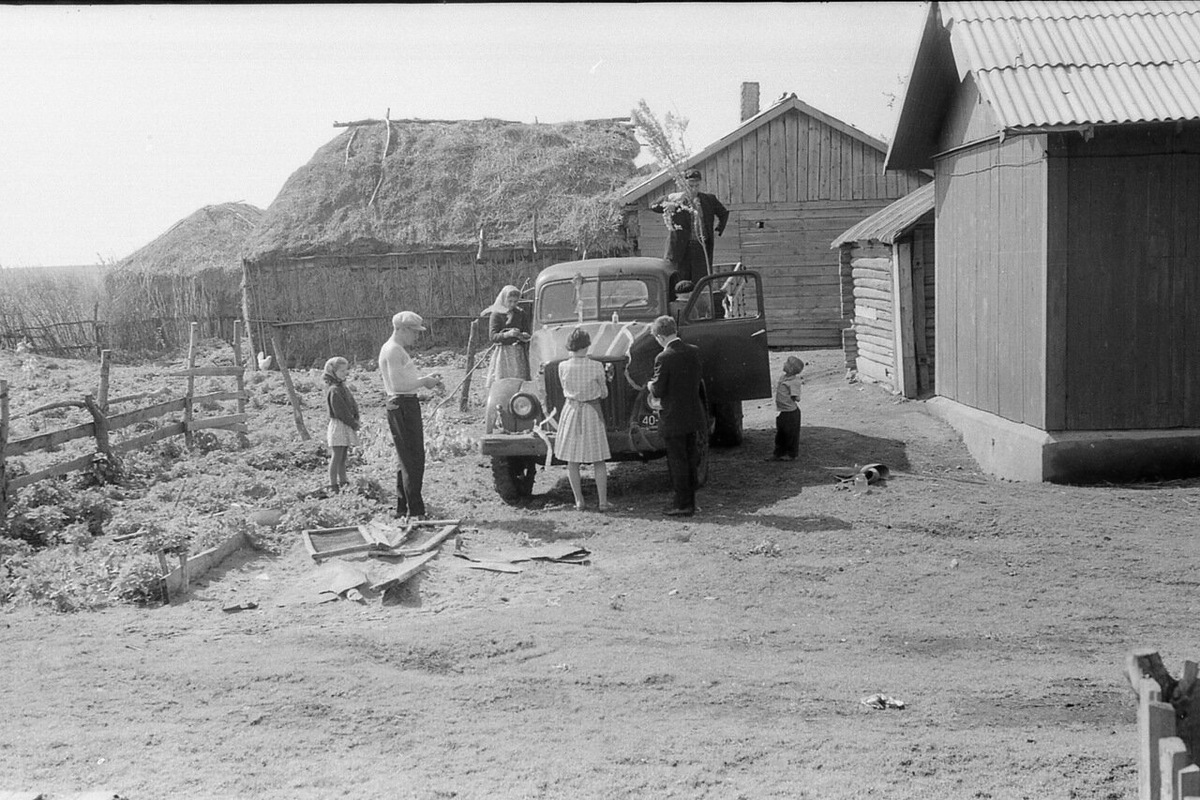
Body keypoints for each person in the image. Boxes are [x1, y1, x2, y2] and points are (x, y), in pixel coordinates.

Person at [378, 311, 443, 520]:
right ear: (403, 329)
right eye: (414, 332)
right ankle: (415, 511)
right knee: (413, 459)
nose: (416, 337)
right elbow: (398, 385)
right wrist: (424, 381)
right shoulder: (393, 350)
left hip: (405, 403)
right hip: (402, 404)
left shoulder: (396, 350)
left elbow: (405, 381)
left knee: (406, 458)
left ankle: (402, 507)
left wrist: (425, 379)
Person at [646, 315, 705, 516]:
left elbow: (659, 390)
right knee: (690, 458)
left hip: (673, 415)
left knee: (677, 461)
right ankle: (691, 501)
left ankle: (682, 504)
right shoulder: (694, 352)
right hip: (693, 412)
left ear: (660, 336)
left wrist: (650, 385)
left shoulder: (663, 357)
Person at [554, 328, 611, 511]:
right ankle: (602, 502)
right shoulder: (596, 366)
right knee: (599, 458)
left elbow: (565, 388)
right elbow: (603, 393)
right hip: (592, 412)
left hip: (571, 411)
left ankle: (579, 500)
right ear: (587, 345)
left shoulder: (562, 366)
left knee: (572, 460)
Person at [649, 168, 729, 286]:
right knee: (679, 284)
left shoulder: (709, 200)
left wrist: (718, 230)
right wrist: (669, 200)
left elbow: (724, 213)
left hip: (701, 248)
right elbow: (653, 206)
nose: (694, 189)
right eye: (691, 186)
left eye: (697, 185)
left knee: (701, 283)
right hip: (680, 251)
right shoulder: (676, 200)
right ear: (684, 185)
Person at [323, 356, 361, 493]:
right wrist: (352, 422)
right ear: (333, 372)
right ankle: (333, 484)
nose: (345, 373)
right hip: (339, 425)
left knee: (343, 455)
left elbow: (351, 404)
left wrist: (356, 417)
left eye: (346, 370)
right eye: (341, 371)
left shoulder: (341, 387)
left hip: (344, 424)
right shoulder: (334, 390)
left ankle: (343, 481)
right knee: (337, 455)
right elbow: (341, 411)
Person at [484, 285, 531, 387]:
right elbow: (493, 336)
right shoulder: (496, 314)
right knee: (503, 383)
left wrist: (523, 335)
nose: (512, 304)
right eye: (509, 301)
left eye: (515, 302)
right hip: (503, 354)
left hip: (518, 353)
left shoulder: (520, 313)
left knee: (519, 381)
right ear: (503, 299)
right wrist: (507, 334)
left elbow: (527, 331)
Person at [770, 356, 805, 461]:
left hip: (791, 413)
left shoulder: (794, 382)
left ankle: (791, 454)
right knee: (781, 434)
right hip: (784, 411)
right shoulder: (783, 378)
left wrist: (791, 398)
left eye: (786, 363)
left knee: (790, 435)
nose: (784, 364)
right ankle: (778, 453)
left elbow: (796, 397)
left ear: (791, 368)